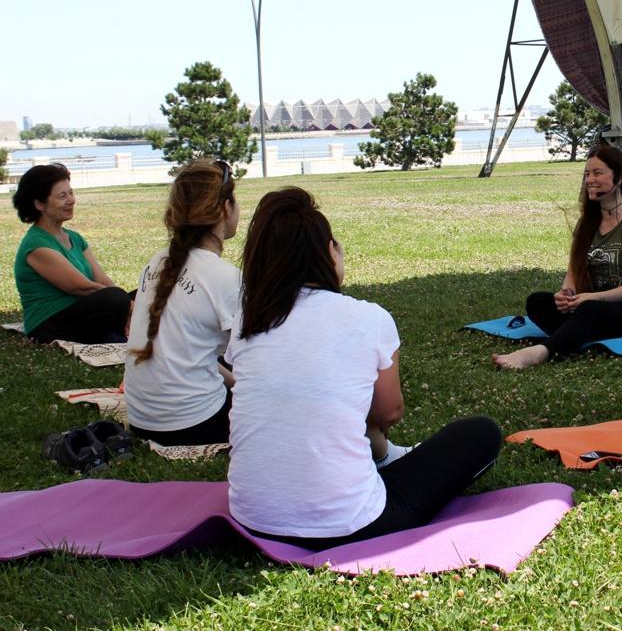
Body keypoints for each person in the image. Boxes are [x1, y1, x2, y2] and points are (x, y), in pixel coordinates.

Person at [226, 187, 501, 549]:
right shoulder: (367, 317)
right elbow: (390, 410)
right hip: (351, 524)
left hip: (253, 518)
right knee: (481, 434)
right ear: (329, 253)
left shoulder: (250, 318)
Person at [493, 145, 622, 370]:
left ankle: (541, 352)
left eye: (597, 173)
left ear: (619, 177)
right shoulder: (587, 224)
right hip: (597, 307)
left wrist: (592, 299)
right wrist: (567, 294)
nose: (589, 180)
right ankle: (581, 330)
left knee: (590, 310)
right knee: (537, 302)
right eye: (586, 174)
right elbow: (574, 271)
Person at [123, 160, 240, 446]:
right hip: (196, 422)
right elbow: (261, 361)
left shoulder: (157, 261)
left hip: (143, 421)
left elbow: (194, 356)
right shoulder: (224, 278)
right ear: (226, 208)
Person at [11, 163, 131, 344]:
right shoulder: (37, 244)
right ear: (39, 204)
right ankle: (118, 332)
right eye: (62, 196)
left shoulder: (74, 238)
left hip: (81, 313)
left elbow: (103, 281)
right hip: (50, 325)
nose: (71, 200)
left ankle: (117, 330)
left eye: (71, 193)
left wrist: (130, 304)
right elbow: (83, 288)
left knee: (145, 293)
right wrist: (130, 306)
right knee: (117, 298)